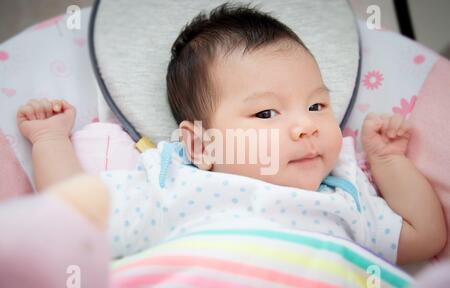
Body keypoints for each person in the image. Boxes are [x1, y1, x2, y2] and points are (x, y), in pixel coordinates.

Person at [17, 3, 446, 265]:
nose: (306, 126)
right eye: (265, 112)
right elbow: (73, 220)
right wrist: (50, 140)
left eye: (317, 105)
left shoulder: (342, 200)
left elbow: (425, 235)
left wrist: (389, 162)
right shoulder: (174, 189)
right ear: (201, 144)